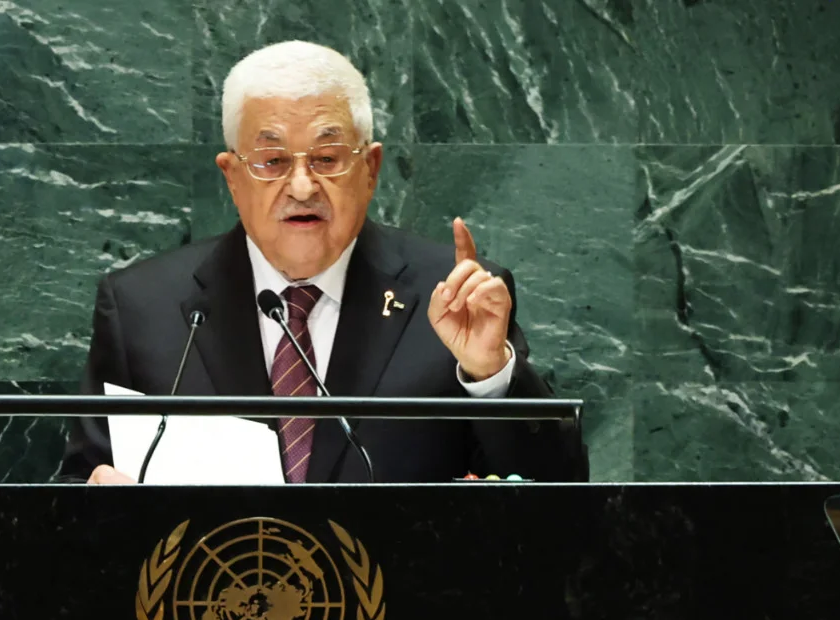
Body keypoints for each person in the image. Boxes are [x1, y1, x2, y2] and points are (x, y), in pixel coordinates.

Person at [60, 41, 587, 484]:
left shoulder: (453, 299)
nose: (302, 186)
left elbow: (561, 498)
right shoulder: (141, 308)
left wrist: (490, 374)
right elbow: (74, 496)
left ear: (371, 168)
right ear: (232, 177)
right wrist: (95, 500)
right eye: (271, 161)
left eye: (327, 158)